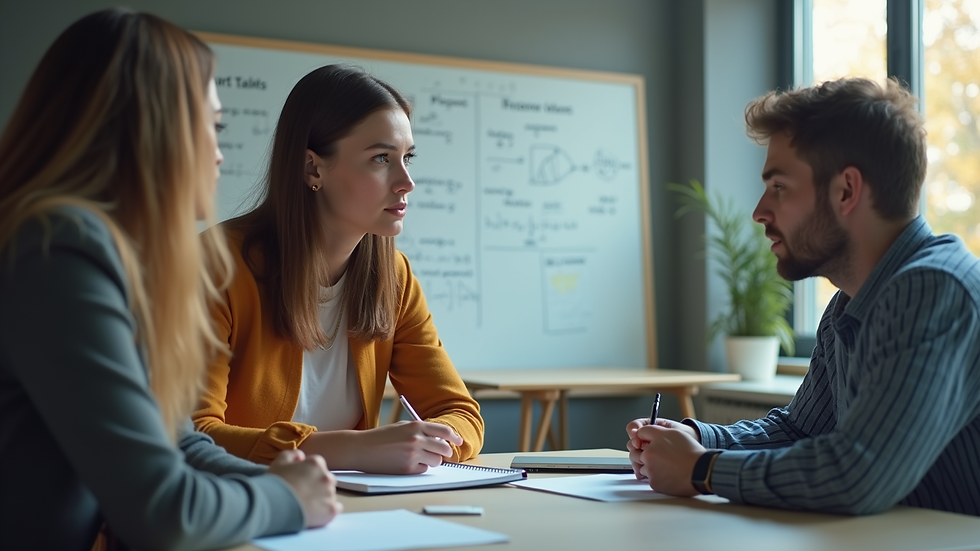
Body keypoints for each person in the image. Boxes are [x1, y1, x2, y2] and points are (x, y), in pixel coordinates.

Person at [0, 9, 342, 550]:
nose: (219, 153)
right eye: (212, 126)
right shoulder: (57, 251)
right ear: (152, 131)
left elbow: (173, 437)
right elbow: (165, 514)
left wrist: (278, 483)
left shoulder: (94, 248)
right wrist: (286, 500)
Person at [626, 77, 980, 516]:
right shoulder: (848, 305)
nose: (759, 212)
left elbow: (859, 473)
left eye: (779, 187)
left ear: (846, 191)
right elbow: (801, 430)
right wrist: (694, 439)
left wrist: (701, 470)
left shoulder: (934, 289)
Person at [192, 65, 484, 474]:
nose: (406, 182)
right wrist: (353, 450)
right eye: (381, 158)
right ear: (313, 169)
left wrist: (424, 444)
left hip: (346, 508)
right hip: (238, 509)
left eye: (407, 158)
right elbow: (193, 435)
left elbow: (460, 413)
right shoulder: (216, 266)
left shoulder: (393, 276)